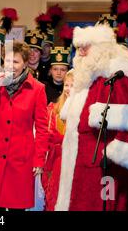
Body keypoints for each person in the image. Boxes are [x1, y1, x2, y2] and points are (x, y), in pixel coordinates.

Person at [55, 24, 128, 211]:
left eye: (87, 46)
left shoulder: (119, 76)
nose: (81, 52)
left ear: (101, 48)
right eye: (79, 48)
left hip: (106, 168)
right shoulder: (85, 79)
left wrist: (116, 157)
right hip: (80, 166)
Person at [0, 41, 49, 211]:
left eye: (15, 62)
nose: (10, 66)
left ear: (25, 64)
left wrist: (39, 160)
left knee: (17, 206)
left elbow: (43, 129)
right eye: (7, 61)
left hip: (20, 159)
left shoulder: (37, 89)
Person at [42, 70, 73, 211]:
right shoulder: (53, 109)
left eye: (73, 85)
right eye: (67, 85)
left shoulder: (86, 111)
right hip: (54, 164)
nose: (69, 89)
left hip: (74, 164)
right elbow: (46, 138)